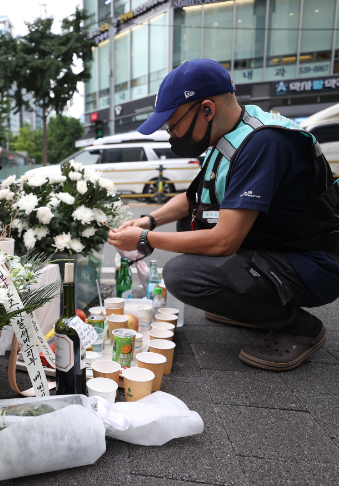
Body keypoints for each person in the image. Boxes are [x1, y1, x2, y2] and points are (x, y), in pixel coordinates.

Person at [109, 59, 339, 371]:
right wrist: (149, 220)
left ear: (206, 109)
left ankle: (301, 328)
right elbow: (193, 199)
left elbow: (225, 241)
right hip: (283, 248)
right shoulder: (231, 134)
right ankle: (249, 304)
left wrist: (146, 238)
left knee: (182, 275)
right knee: (190, 224)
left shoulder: (263, 144)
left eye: (172, 124)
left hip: (318, 264)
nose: (171, 134)